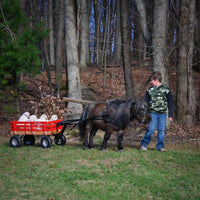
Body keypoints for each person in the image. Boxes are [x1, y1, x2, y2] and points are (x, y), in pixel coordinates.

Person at [141, 71, 173, 152]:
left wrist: (170, 115)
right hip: (153, 113)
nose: (151, 82)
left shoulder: (166, 90)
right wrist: (145, 112)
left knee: (161, 130)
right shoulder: (149, 90)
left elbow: (170, 102)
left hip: (162, 114)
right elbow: (146, 102)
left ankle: (160, 147)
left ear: (156, 80)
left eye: (152, 80)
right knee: (151, 129)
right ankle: (144, 144)